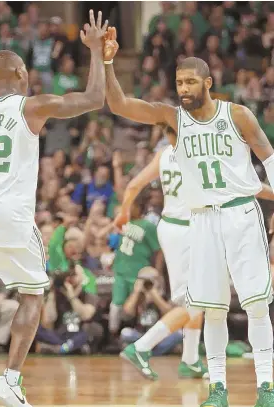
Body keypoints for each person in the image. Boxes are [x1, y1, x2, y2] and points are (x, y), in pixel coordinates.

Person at [0, 10, 108, 407]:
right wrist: (98, 53)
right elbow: (94, 99)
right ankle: (9, 381)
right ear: (17, 72)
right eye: (26, 71)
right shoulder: (30, 106)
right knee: (33, 292)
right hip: (8, 210)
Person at [104, 27, 274, 406]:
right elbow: (119, 105)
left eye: (190, 81)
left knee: (256, 304)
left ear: (208, 82)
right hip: (201, 222)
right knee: (211, 309)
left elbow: (269, 157)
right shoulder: (173, 119)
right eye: (179, 82)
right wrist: (108, 61)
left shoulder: (238, 115)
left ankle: (266, 386)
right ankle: (217, 388)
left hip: (241, 214)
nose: (183, 88)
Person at [117, 124, 274, 381]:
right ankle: (142, 346)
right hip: (191, 229)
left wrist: (123, 212)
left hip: (169, 227)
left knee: (198, 297)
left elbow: (134, 185)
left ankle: (190, 360)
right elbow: (250, 186)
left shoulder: (164, 153)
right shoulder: (201, 153)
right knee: (199, 299)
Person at [109, 198, 161, 340]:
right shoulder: (124, 223)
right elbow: (121, 246)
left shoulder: (148, 226)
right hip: (120, 270)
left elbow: (158, 250)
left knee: (138, 306)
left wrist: (157, 270)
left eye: (131, 206)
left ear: (139, 207)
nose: (128, 209)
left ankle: (139, 335)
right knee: (116, 305)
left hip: (139, 272)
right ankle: (112, 338)